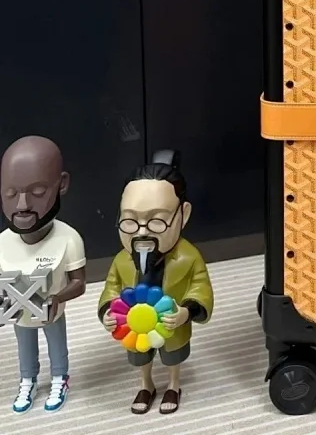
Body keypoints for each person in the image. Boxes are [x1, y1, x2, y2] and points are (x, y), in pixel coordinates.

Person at [98, 152, 214, 415]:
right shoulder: (122, 260)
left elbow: (200, 287)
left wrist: (186, 311)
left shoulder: (189, 257)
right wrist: (108, 311)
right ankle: (146, 384)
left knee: (173, 355)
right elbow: (111, 287)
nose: (142, 231)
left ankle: (173, 384)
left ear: (183, 214)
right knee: (140, 354)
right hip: (134, 326)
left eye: (157, 221)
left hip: (171, 323)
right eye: (129, 221)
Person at [0, 136, 86, 414]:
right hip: (19, 313)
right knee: (24, 347)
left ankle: (60, 378)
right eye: (10, 193)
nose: (22, 205)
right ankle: (28, 380)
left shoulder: (69, 239)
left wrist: (57, 298)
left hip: (52, 312)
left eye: (37, 191)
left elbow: (79, 283)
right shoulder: (2, 242)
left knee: (56, 344)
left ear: (62, 184)